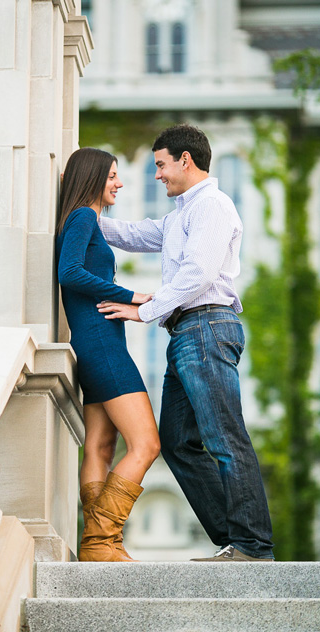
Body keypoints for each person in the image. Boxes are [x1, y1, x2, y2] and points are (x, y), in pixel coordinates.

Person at [96, 124, 275, 561]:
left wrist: (144, 309)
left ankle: (252, 546)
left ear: (185, 160)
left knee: (225, 437)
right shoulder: (180, 215)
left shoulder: (212, 205)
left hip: (208, 327)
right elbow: (137, 235)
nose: (156, 174)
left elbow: (199, 274)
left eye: (160, 165)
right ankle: (235, 540)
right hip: (186, 335)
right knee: (177, 443)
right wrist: (83, 216)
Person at [55, 147, 161, 563]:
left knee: (100, 446)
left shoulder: (85, 218)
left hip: (96, 341)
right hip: (101, 343)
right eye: (113, 175)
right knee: (146, 444)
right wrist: (131, 295)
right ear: (92, 177)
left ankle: (101, 546)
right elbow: (70, 272)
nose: (119, 182)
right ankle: (101, 541)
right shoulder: (83, 216)